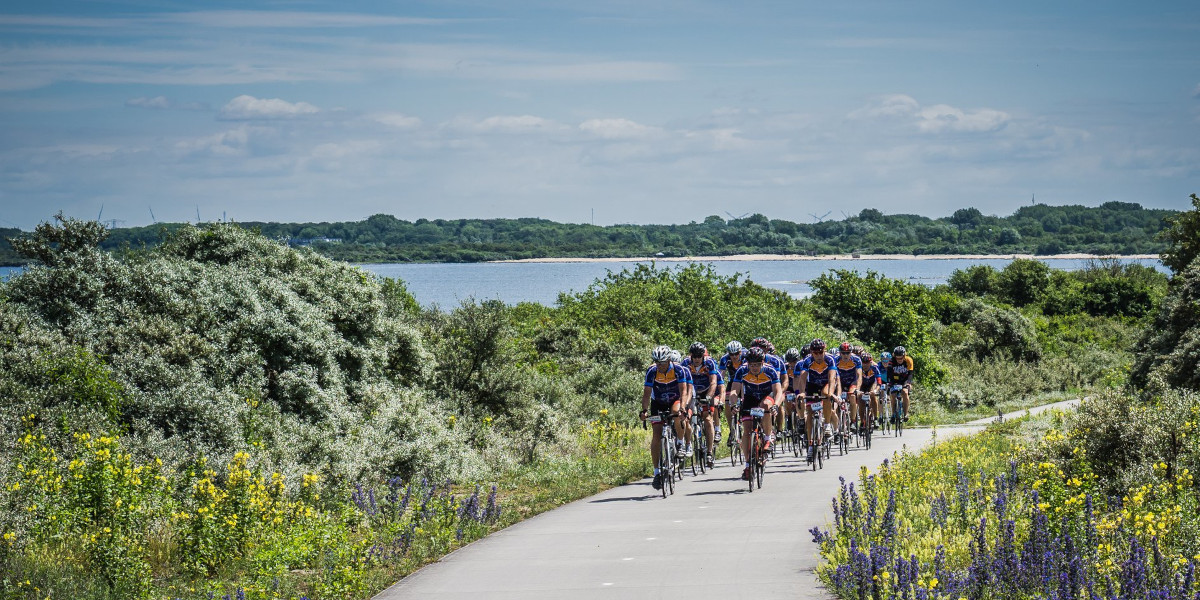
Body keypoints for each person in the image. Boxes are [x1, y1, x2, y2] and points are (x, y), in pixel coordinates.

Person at [640, 345, 688, 490]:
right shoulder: (652, 371)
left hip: (675, 400)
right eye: (657, 362)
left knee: (676, 415)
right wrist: (644, 410)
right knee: (656, 434)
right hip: (658, 402)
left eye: (662, 362)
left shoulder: (678, 370)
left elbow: (684, 390)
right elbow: (647, 393)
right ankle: (657, 472)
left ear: (668, 360)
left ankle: (680, 443)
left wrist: (683, 408)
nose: (659, 365)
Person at [731, 347, 780, 481]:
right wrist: (733, 403)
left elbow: (778, 391)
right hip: (750, 398)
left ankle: (768, 438)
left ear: (762, 363)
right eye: (752, 365)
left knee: (765, 406)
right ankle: (748, 465)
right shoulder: (742, 370)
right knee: (746, 430)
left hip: (766, 396)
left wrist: (776, 405)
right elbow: (734, 391)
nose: (754, 368)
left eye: (757, 365)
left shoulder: (770, 371)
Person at [792, 338, 836, 462]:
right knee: (810, 413)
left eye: (821, 352)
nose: (818, 355)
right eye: (815, 353)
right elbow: (802, 378)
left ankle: (827, 425)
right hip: (812, 385)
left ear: (824, 351)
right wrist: (801, 393)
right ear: (811, 353)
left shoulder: (830, 359)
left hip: (826, 384)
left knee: (826, 394)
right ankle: (811, 444)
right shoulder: (807, 361)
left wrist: (831, 394)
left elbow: (832, 378)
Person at [682, 342, 720, 468]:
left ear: (703, 356)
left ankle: (709, 452)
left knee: (708, 419)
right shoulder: (685, 363)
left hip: (706, 391)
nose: (697, 359)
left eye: (699, 356)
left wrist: (709, 396)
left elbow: (714, 382)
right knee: (685, 416)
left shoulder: (710, 363)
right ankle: (688, 442)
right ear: (691, 356)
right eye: (695, 356)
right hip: (691, 391)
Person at [719, 341, 747, 446]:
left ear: (740, 352)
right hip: (733, 382)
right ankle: (732, 429)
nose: (734, 356)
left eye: (737, 353)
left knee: (745, 400)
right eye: (731, 354)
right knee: (727, 403)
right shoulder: (724, 359)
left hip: (746, 381)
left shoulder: (746, 356)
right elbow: (721, 376)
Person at [669, 349, 695, 456]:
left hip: (688, 397)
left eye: (676, 362)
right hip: (674, 399)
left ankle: (688, 444)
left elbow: (688, 391)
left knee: (686, 420)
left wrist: (685, 406)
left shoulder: (684, 371)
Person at [834, 342, 863, 436]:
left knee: (852, 396)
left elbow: (859, 376)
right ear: (840, 353)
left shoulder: (856, 360)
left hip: (852, 382)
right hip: (840, 382)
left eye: (848, 353)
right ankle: (838, 425)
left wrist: (857, 389)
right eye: (843, 353)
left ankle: (853, 421)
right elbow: (833, 375)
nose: (845, 355)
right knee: (837, 402)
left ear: (851, 352)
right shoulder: (836, 360)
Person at [886, 346, 915, 422]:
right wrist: (889, 384)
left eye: (901, 358)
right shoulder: (891, 361)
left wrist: (908, 383)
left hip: (905, 380)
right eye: (897, 358)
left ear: (904, 356)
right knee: (893, 394)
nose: (899, 360)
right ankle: (893, 414)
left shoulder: (909, 360)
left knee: (905, 392)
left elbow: (910, 374)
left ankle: (905, 414)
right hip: (894, 379)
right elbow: (889, 374)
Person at [859, 352, 883, 431]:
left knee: (873, 396)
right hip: (862, 386)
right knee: (860, 400)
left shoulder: (875, 368)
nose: (865, 365)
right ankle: (862, 421)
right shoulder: (859, 369)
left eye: (867, 362)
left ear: (871, 362)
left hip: (871, 385)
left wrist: (876, 390)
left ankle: (875, 418)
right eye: (863, 363)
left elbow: (879, 382)